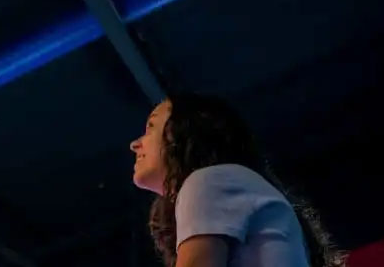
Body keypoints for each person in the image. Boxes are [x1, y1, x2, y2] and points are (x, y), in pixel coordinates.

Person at [128, 92, 345, 267]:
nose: (135, 144)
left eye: (151, 127)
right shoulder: (226, 184)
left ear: (184, 133)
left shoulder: (206, 182)